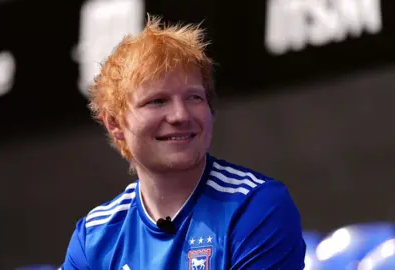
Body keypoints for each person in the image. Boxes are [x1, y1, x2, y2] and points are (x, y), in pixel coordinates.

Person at [60, 15, 306, 270]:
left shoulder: (256, 207)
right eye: (157, 101)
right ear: (114, 123)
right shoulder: (94, 236)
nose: (181, 115)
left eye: (194, 97)